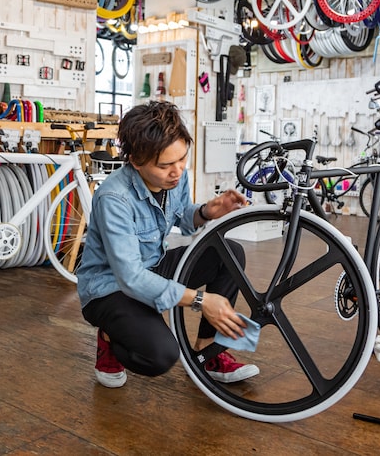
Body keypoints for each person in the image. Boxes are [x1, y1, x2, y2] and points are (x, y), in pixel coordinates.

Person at [76, 100, 258, 388]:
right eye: (165, 165)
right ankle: (111, 336)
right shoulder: (114, 198)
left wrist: (207, 211)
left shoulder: (176, 176)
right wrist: (200, 300)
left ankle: (206, 352)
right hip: (110, 289)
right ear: (136, 160)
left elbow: (183, 216)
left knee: (229, 253)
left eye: (182, 159)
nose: (178, 170)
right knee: (161, 355)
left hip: (153, 266)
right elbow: (131, 278)